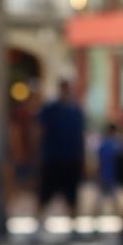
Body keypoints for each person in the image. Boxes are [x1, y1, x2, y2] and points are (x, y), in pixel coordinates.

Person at [37, 79, 86, 228]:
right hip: (53, 157)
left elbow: (80, 136)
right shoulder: (51, 109)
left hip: (71, 158)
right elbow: (39, 130)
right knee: (46, 192)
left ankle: (73, 225)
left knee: (72, 194)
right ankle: (39, 223)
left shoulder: (76, 110)